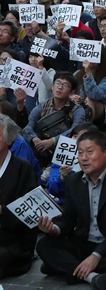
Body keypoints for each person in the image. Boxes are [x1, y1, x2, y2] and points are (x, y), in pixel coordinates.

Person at [36, 130, 106, 289]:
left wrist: (96, 256)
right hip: (84, 242)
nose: (84, 158)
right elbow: (68, 220)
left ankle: (63, 267)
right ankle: (91, 276)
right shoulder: (73, 180)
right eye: (80, 153)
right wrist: (53, 229)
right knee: (44, 245)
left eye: (90, 152)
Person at [0, 114, 37, 280]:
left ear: (9, 141)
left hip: (13, 240)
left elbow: (29, 213)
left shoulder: (23, 168)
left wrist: (2, 211)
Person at [21, 73, 86, 164]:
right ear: (52, 86)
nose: (60, 87)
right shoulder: (42, 106)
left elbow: (75, 130)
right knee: (23, 141)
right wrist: (34, 139)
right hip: (40, 144)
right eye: (57, 83)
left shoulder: (77, 109)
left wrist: (53, 141)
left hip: (63, 147)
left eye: (65, 85)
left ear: (72, 92)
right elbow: (28, 126)